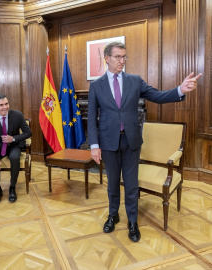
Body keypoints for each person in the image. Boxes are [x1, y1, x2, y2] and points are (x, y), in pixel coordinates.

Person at [87, 42, 202, 242]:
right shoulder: (96, 86)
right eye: (117, 57)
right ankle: (113, 215)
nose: (122, 61)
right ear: (107, 58)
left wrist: (180, 90)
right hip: (108, 142)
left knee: (131, 184)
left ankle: (133, 221)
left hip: (131, 141)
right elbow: (91, 117)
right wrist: (94, 146)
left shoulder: (135, 81)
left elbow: (157, 96)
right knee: (112, 184)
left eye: (124, 57)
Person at [0, 93, 32, 204]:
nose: (5, 107)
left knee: (14, 158)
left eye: (6, 104)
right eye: (1, 105)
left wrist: (13, 138)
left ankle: (12, 187)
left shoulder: (17, 115)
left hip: (14, 145)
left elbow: (28, 133)